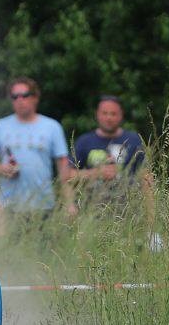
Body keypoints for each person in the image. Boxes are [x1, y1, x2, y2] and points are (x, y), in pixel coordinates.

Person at [67, 95, 158, 237]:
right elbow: (69, 175)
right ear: (97, 115)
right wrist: (97, 173)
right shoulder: (84, 142)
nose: (109, 118)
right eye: (105, 113)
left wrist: (150, 217)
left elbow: (146, 178)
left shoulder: (134, 140)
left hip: (130, 215)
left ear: (121, 115)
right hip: (91, 215)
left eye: (113, 113)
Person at [0, 77, 72, 219]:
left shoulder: (52, 126)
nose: (20, 100)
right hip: (8, 205)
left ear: (35, 97)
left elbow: (63, 167)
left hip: (43, 205)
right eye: (15, 97)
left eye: (25, 95)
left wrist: (69, 203)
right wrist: (3, 168)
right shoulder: (0, 126)